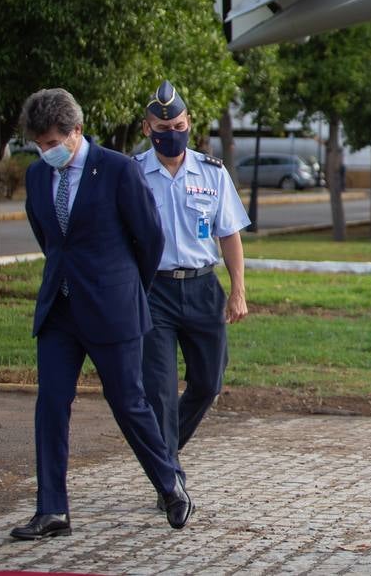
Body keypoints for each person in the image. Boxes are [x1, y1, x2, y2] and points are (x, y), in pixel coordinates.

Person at [12, 88, 191, 541]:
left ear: (76, 131)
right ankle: (52, 510)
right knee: (51, 404)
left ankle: (170, 484)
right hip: (60, 310)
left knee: (128, 403)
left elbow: (149, 239)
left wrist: (127, 287)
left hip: (112, 308)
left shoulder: (117, 169)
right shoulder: (37, 177)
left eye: (53, 141)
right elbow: (49, 239)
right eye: (40, 143)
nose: (46, 150)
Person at [134, 80, 249, 499]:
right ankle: (170, 480)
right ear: (147, 128)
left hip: (202, 288)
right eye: (162, 128)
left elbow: (230, 235)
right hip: (153, 292)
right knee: (160, 390)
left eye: (178, 125)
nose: (171, 134)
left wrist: (238, 290)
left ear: (189, 123)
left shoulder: (212, 173)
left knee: (208, 382)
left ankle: (160, 455)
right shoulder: (132, 174)